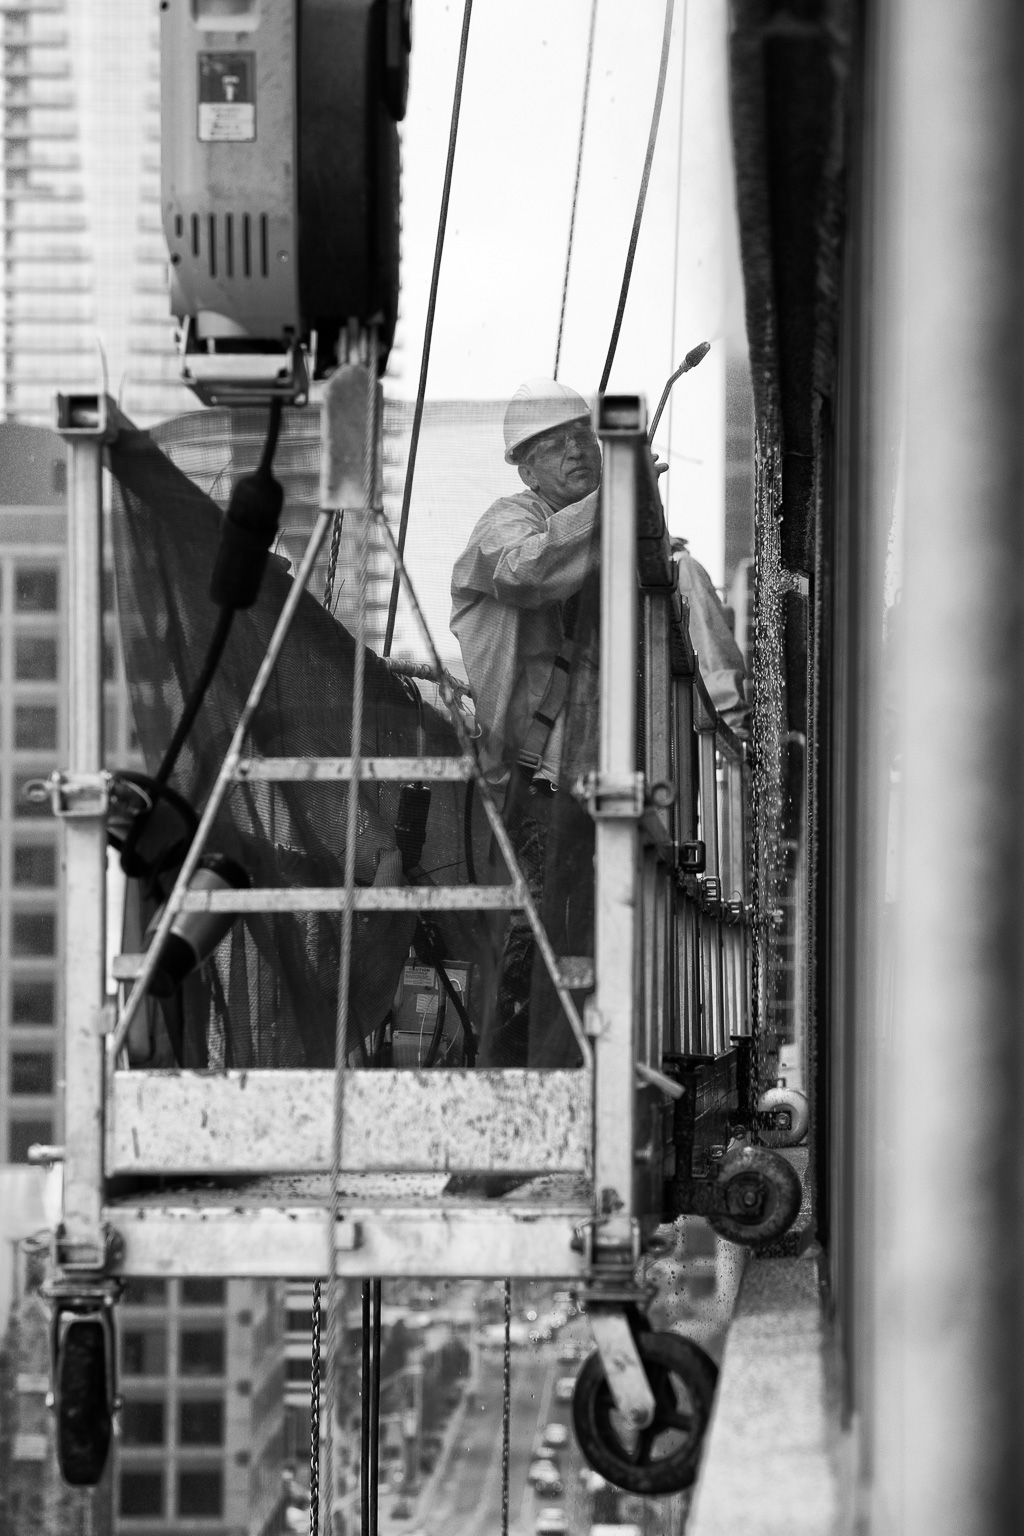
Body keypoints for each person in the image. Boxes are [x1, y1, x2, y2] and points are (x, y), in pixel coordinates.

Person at [450, 378, 748, 1064]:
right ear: (526, 470)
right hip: (533, 782)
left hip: (598, 785)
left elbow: (697, 652)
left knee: (591, 942)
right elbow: (530, 569)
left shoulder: (621, 547)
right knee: (532, 949)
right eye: (551, 447)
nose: (575, 453)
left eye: (581, 438)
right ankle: (506, 1111)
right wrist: (613, 503)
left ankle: (579, 1098)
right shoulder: (507, 524)